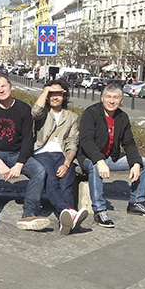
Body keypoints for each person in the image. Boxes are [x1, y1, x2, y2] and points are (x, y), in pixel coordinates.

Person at [0, 74, 49, 230]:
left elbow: (28, 139)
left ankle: (29, 214)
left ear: (11, 87)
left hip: (17, 154)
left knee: (39, 171)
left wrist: (19, 164)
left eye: (3, 86)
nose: (1, 90)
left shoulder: (23, 109)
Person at [78, 81, 145, 229]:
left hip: (110, 157)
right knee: (96, 166)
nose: (111, 101)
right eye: (108, 97)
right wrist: (99, 160)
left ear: (121, 100)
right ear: (102, 98)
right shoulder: (91, 113)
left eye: (115, 97)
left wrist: (135, 163)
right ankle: (100, 210)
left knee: (144, 162)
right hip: (89, 158)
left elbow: (129, 143)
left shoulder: (122, 117)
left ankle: (136, 203)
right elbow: (86, 140)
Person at [32, 79, 88, 235]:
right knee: (51, 180)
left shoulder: (72, 117)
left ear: (65, 96)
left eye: (58, 94)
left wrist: (67, 163)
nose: (55, 97)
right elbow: (34, 112)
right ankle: (69, 211)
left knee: (66, 183)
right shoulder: (43, 113)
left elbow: (73, 142)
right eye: (52, 94)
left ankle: (65, 222)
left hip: (62, 155)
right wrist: (46, 90)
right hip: (42, 153)